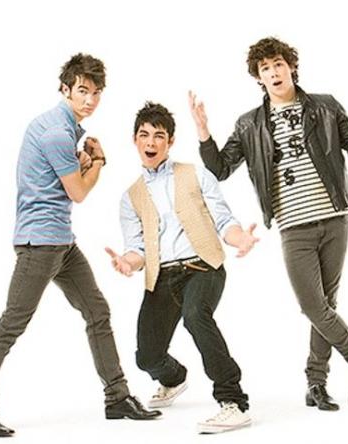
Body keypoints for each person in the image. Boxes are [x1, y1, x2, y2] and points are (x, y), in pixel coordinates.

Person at [188, 36, 348, 411]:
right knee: (313, 306)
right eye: (265, 68)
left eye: (278, 63)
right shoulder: (249, 125)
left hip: (335, 220)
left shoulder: (325, 107)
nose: (273, 72)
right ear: (258, 78)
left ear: (291, 66)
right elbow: (220, 169)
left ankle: (316, 384)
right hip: (294, 227)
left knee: (326, 305)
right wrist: (203, 133)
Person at [0, 54, 161, 438]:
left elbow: (58, 182)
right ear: (65, 89)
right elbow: (78, 192)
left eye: (96, 92)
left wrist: (83, 161)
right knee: (12, 323)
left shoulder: (60, 127)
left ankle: (117, 397)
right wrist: (98, 162)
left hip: (61, 242)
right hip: (40, 245)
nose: (90, 99)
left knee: (97, 311)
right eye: (83, 91)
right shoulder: (57, 132)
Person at [106, 102, 258, 433]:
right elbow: (137, 249)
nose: (151, 142)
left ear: (170, 141)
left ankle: (233, 401)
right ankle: (174, 379)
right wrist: (127, 262)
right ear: (135, 140)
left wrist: (239, 239)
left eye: (159, 136)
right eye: (144, 135)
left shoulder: (196, 174)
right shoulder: (130, 197)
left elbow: (224, 220)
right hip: (161, 277)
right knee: (147, 357)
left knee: (195, 315)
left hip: (203, 267)